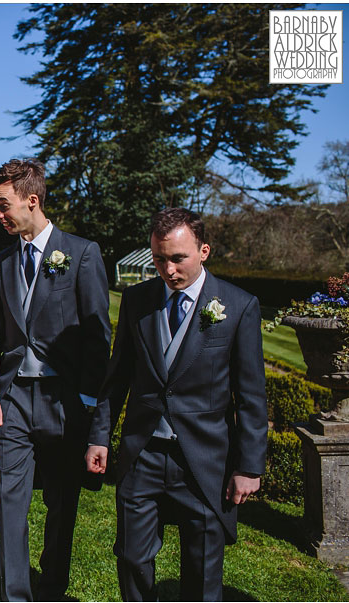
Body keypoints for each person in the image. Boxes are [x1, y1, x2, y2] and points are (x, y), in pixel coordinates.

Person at [85, 208, 267, 601]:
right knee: (132, 556)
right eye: (159, 259)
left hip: (205, 461)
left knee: (202, 570)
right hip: (143, 454)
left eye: (177, 258)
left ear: (204, 251)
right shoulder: (136, 300)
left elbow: (251, 396)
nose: (167, 269)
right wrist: (99, 437)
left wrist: (249, 466)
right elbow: (117, 379)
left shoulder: (238, 306)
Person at [0, 158, 111, 601]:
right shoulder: (7, 258)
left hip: (64, 401)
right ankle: (16, 594)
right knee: (9, 501)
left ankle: (52, 586)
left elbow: (97, 339)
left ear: (31, 201)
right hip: (13, 400)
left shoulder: (82, 254)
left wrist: (90, 409)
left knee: (61, 502)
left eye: (2, 205)